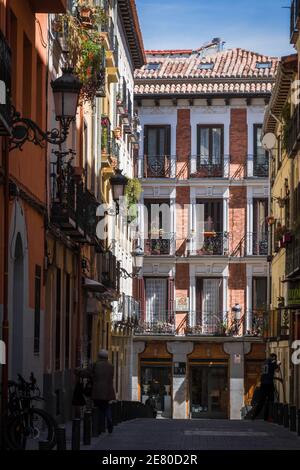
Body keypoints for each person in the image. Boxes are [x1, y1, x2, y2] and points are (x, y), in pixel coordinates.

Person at [75, 349, 116, 433]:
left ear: (99, 356)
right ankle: (109, 419)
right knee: (106, 406)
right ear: (107, 357)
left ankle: (98, 426)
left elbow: (86, 374)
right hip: (108, 390)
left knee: (97, 407)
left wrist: (77, 371)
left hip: (97, 390)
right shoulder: (111, 366)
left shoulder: (95, 364)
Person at [251, 353, 281, 421]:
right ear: (273, 357)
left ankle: (254, 415)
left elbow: (266, 373)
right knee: (270, 401)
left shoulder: (264, 362)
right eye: (275, 358)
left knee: (261, 401)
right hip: (269, 384)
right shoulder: (272, 362)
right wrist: (278, 364)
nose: (275, 359)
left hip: (263, 384)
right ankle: (267, 417)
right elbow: (277, 370)